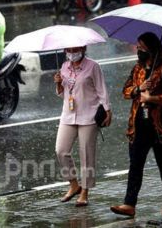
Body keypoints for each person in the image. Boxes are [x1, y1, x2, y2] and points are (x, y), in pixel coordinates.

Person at [110, 32, 162, 217]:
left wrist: (152, 98)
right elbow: (125, 91)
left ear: (151, 50)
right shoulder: (137, 70)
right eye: (138, 48)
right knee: (136, 164)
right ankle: (129, 204)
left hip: (161, 127)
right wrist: (138, 89)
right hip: (139, 124)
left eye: (142, 48)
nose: (139, 51)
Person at [54, 46, 112, 207]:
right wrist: (58, 84)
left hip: (89, 114)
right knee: (61, 150)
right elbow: (62, 94)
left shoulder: (93, 66)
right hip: (68, 115)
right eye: (68, 49)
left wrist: (107, 110)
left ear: (83, 48)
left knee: (86, 154)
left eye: (75, 49)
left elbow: (102, 89)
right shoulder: (64, 67)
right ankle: (74, 185)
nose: (72, 52)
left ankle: (85, 191)